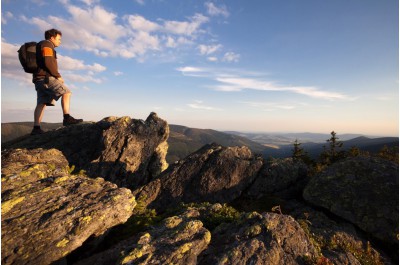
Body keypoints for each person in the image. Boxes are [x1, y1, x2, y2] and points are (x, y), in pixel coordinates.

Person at [31, 28, 82, 135]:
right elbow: (48, 61)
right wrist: (57, 76)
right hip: (46, 78)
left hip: (38, 79)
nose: (60, 41)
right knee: (67, 92)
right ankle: (67, 118)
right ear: (52, 37)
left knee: (42, 103)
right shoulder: (47, 45)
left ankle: (36, 128)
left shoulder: (40, 45)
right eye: (59, 39)